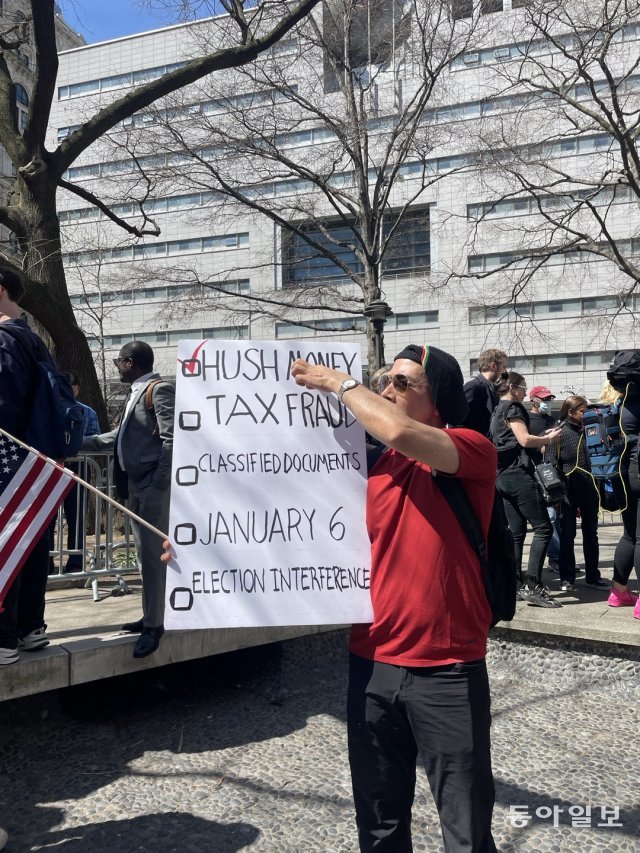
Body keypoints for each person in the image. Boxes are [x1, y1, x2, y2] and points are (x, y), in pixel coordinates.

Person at [290, 344, 498, 851]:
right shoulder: (375, 470)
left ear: (439, 400)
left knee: (467, 833)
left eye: (403, 383)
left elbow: (401, 430)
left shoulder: (472, 449)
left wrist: (338, 383)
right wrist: (199, 548)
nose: (387, 390)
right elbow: (295, 532)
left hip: (447, 669)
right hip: (370, 665)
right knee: (379, 827)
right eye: (386, 381)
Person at [83, 341, 174, 658]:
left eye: (119, 361)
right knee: (145, 557)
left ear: (131, 362)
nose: (116, 366)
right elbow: (118, 437)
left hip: (149, 487)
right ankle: (151, 616)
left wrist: (157, 484)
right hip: (135, 485)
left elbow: (171, 439)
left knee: (152, 557)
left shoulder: (158, 390)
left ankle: (155, 626)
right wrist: (77, 443)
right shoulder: (137, 391)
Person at [0, 269, 55, 664]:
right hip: (39, 460)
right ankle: (30, 628)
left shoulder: (4, 339)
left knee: (6, 542)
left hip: (9, 460)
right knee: (32, 541)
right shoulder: (34, 340)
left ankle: (3, 639)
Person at [490, 372, 563, 607]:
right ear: (512, 387)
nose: (524, 392)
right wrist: (548, 439)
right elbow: (523, 440)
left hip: (501, 477)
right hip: (518, 476)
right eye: (523, 387)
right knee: (543, 528)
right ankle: (534, 586)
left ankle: (516, 584)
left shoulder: (496, 409)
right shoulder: (513, 407)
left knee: (517, 532)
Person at [551, 396, 609, 591]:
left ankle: (593, 576)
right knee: (568, 533)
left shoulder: (592, 430)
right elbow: (551, 463)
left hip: (590, 488)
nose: (586, 415)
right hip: (568, 489)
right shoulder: (558, 432)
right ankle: (566, 577)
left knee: (591, 533)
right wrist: (556, 495)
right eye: (582, 411)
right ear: (570, 412)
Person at [49, 372, 100, 572]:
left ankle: (76, 562)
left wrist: (77, 446)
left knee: (76, 516)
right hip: (52, 466)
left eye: (73, 387)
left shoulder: (88, 412)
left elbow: (96, 438)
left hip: (79, 467)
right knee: (48, 517)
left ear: (78, 388)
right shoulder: (49, 409)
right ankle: (47, 563)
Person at [606, 375, 640, 616]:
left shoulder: (620, 403)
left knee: (629, 534)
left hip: (621, 471)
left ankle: (619, 592)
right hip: (637, 470)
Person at [528, 385, 561, 572]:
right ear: (533, 400)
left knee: (555, 516)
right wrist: (542, 441)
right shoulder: (525, 420)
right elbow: (525, 443)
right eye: (543, 399)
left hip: (551, 472)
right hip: (534, 473)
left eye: (549, 399)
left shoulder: (551, 419)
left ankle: (556, 557)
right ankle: (553, 558)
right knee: (548, 517)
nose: (547, 402)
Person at [463, 348, 508, 436]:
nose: (505, 372)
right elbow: (457, 420)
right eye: (504, 367)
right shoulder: (473, 387)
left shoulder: (492, 389)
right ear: (493, 366)